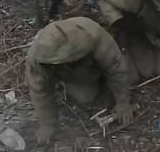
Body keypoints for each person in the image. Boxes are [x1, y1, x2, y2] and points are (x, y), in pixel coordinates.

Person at [25, 17, 135, 145]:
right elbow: (40, 92)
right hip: (77, 74)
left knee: (131, 78)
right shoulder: (37, 61)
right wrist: (47, 124)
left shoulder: (94, 34)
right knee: (85, 96)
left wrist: (123, 101)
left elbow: (117, 67)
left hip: (97, 63)